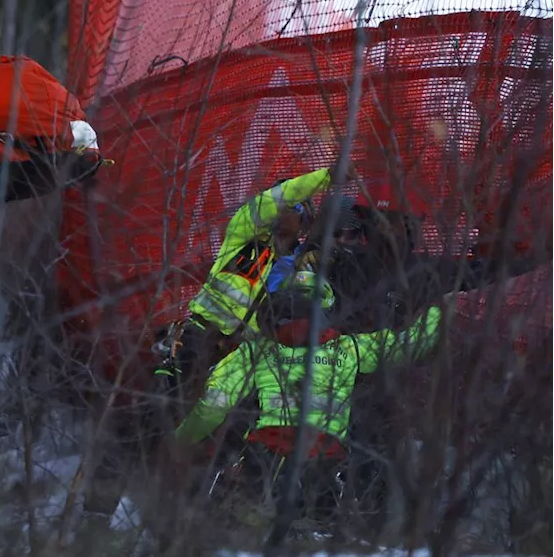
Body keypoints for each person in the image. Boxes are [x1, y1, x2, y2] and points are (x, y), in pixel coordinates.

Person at [173, 270, 450, 530]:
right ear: (327, 309)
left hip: (264, 463)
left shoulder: (255, 351)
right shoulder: (350, 348)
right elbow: (412, 344)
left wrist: (177, 443)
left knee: (245, 532)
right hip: (325, 468)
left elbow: (212, 407)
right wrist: (443, 308)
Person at [154, 163, 349, 411]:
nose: (280, 209)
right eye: (279, 202)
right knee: (165, 404)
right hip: (201, 335)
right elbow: (273, 200)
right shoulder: (244, 233)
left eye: (292, 207)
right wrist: (326, 177)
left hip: (246, 358)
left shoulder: (301, 265)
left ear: (304, 222)